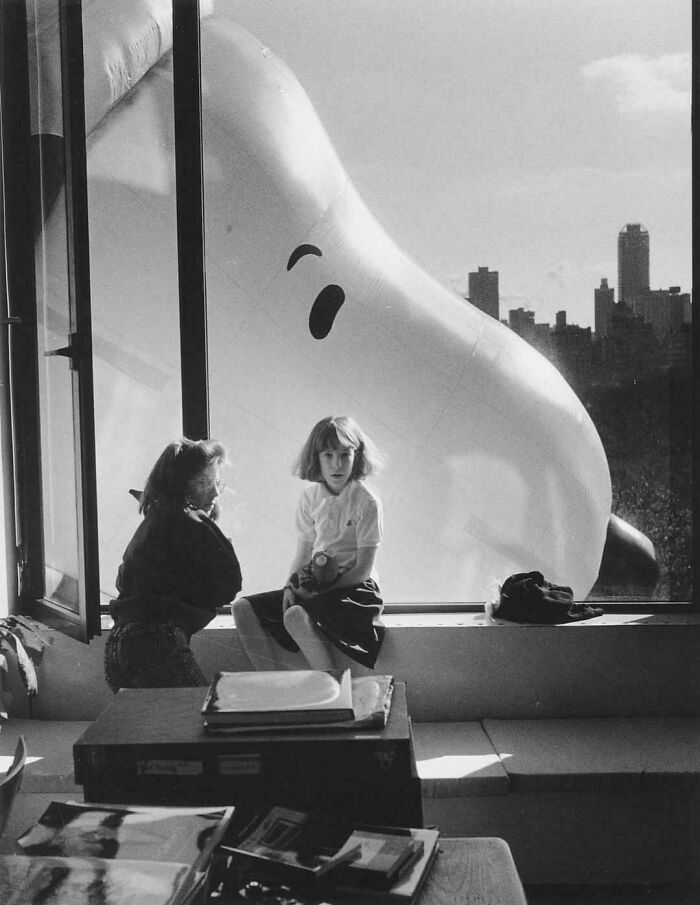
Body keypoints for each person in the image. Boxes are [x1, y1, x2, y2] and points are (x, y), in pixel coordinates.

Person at [232, 415, 385, 671]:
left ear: (357, 456)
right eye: (328, 455)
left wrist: (319, 591)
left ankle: (332, 687)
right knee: (242, 608)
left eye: (345, 454)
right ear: (317, 458)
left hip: (354, 589)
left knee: (294, 615)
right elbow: (303, 555)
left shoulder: (366, 502)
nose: (337, 464)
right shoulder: (309, 498)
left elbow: (362, 570)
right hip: (314, 582)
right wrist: (291, 587)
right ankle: (271, 687)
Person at [104, 438, 242, 691]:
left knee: (151, 729)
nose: (215, 493)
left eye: (216, 483)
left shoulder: (152, 523)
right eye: (204, 483)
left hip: (117, 647)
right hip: (155, 642)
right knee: (194, 720)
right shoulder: (189, 520)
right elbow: (230, 583)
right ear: (180, 487)